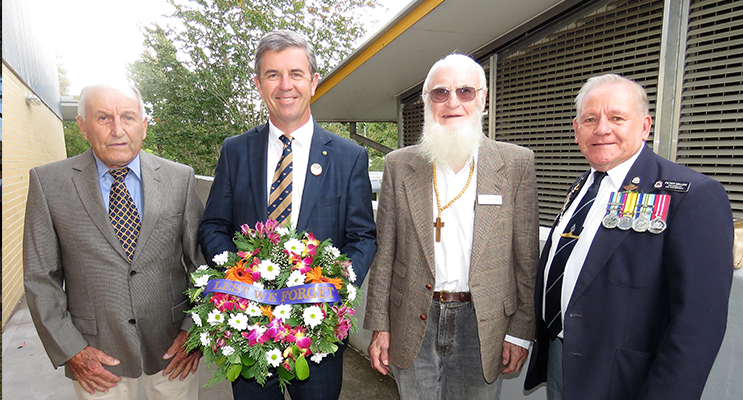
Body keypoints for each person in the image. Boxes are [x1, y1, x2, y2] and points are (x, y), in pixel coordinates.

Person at [524, 74, 734, 399]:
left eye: (617, 117)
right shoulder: (582, 187)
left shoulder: (691, 195)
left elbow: (698, 324)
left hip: (626, 379)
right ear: (576, 129)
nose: (602, 129)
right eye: (590, 119)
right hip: (562, 358)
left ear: (645, 126)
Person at [198, 29, 377, 400]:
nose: (285, 85)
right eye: (272, 74)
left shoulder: (349, 157)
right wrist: (240, 278)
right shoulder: (235, 151)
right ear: (258, 83)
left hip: (318, 337)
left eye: (295, 74)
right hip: (249, 336)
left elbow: (362, 237)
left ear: (313, 82)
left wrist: (331, 291)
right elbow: (213, 225)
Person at [364, 53, 539, 399]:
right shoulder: (400, 165)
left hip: (484, 322)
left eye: (465, 91)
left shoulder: (517, 163)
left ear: (483, 98)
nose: (452, 102)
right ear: (427, 101)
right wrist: (379, 327)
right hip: (413, 316)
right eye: (440, 93)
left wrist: (520, 331)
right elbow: (383, 254)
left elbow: (526, 258)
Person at [23, 84, 205, 400]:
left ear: (144, 125)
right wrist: (72, 350)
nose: (118, 130)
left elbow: (202, 264)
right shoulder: (49, 183)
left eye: (128, 117)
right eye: (104, 118)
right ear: (82, 126)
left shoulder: (180, 179)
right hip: (97, 360)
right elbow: (40, 279)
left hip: (173, 352)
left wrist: (195, 332)